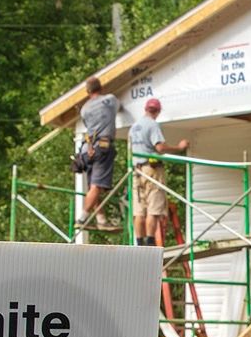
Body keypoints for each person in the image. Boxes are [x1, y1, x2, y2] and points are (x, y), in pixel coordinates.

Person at [128, 97, 189, 244]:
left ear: (145, 109)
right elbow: (160, 148)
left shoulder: (134, 127)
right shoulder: (152, 125)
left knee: (139, 210)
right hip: (152, 170)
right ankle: (150, 242)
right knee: (153, 209)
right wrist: (179, 148)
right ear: (158, 111)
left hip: (136, 170)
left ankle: (140, 243)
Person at [78, 82, 119, 231]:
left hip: (86, 149)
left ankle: (101, 219)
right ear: (101, 88)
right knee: (96, 187)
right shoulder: (110, 100)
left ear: (87, 92)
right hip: (102, 147)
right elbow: (117, 108)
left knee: (92, 188)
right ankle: (82, 218)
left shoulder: (84, 109)